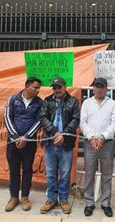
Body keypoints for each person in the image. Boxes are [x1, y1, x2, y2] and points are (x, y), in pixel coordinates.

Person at [39, 77, 80, 214]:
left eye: (59, 87)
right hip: (50, 142)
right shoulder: (47, 101)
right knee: (50, 173)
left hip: (66, 143)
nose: (57, 90)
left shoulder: (73, 101)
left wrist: (63, 135)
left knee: (65, 173)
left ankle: (63, 200)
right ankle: (51, 199)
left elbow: (75, 120)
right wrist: (55, 133)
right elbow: (43, 118)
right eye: (54, 87)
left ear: (65, 86)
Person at [80, 78, 115, 217]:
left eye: (102, 87)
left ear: (106, 89)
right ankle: (89, 203)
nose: (99, 89)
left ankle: (105, 203)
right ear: (93, 88)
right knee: (89, 174)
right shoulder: (86, 103)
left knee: (107, 175)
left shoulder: (112, 104)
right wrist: (91, 137)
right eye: (97, 87)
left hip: (107, 143)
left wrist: (102, 137)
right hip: (89, 143)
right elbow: (83, 122)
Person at [3, 77, 43, 212]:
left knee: (27, 170)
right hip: (12, 142)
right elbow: (7, 118)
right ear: (27, 86)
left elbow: (39, 121)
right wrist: (15, 137)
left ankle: (24, 197)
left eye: (39, 88)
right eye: (35, 87)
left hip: (29, 143)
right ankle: (13, 197)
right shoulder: (13, 99)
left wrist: (26, 137)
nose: (38, 90)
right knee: (14, 170)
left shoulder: (40, 103)